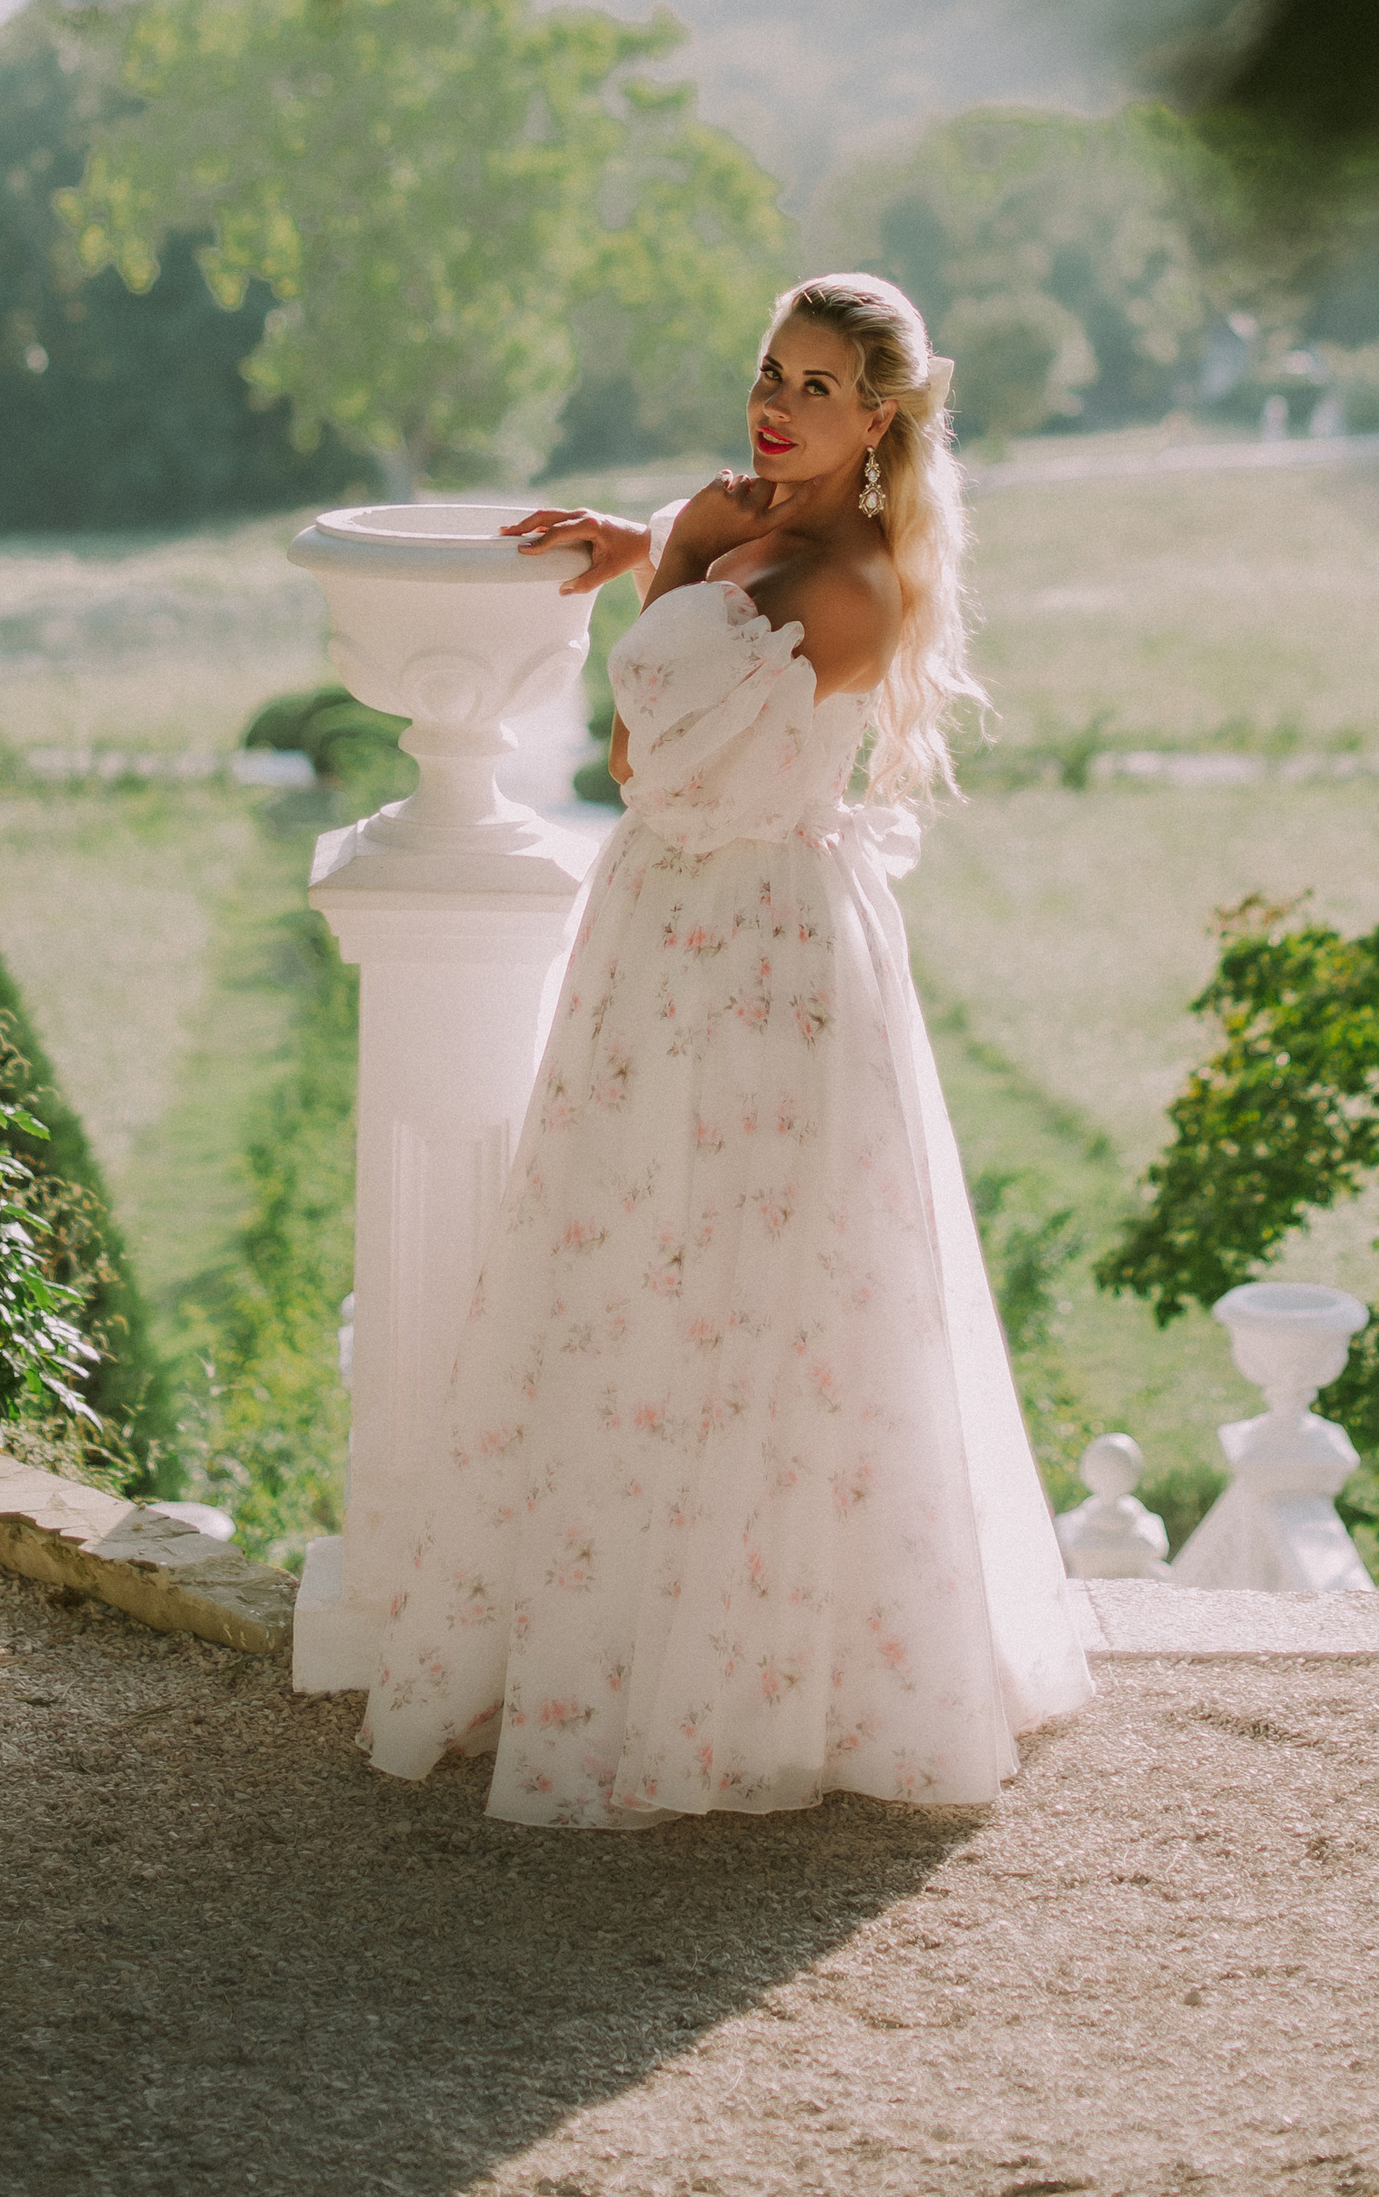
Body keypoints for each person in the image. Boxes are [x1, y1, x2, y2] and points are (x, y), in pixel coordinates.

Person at [359, 271, 1093, 1827]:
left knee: (769, 1296)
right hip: (665, 942)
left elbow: (648, 762)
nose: (777, 402)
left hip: (760, 953)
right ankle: (602, 1628)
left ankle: (750, 1685)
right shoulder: (763, 545)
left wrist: (675, 550)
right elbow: (691, 658)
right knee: (633, 1269)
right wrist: (658, 545)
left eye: (819, 386)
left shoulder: (856, 586)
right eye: (772, 369)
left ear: (880, 417)